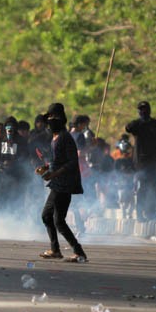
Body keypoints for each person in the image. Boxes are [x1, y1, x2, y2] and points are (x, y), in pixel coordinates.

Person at [37, 103, 87, 262]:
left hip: (64, 183)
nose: (50, 121)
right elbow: (57, 160)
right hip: (57, 183)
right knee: (51, 217)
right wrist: (46, 167)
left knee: (55, 219)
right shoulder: (55, 138)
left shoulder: (65, 138)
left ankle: (78, 252)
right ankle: (57, 250)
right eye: (49, 118)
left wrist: (54, 174)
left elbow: (72, 162)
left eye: (53, 118)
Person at [125, 101, 156, 221]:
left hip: (154, 161)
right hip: (141, 162)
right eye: (141, 109)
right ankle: (140, 213)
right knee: (143, 188)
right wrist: (141, 120)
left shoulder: (155, 124)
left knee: (154, 187)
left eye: (145, 109)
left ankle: (151, 212)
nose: (144, 111)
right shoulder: (138, 125)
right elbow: (128, 128)